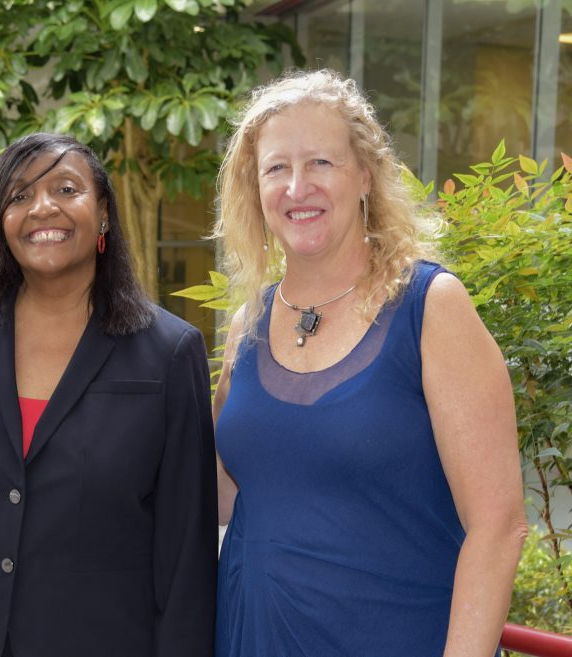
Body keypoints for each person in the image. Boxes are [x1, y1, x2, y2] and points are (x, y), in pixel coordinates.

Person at [210, 69, 527, 657]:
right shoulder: (247, 325)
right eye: (276, 168)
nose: (297, 187)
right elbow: (226, 491)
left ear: (365, 174)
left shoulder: (430, 308)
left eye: (321, 164)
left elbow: (499, 527)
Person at [0, 132, 217, 657]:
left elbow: (186, 556)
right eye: (18, 196)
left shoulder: (169, 354)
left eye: (65, 189)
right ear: (0, 222)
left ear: (103, 212)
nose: (42, 208)